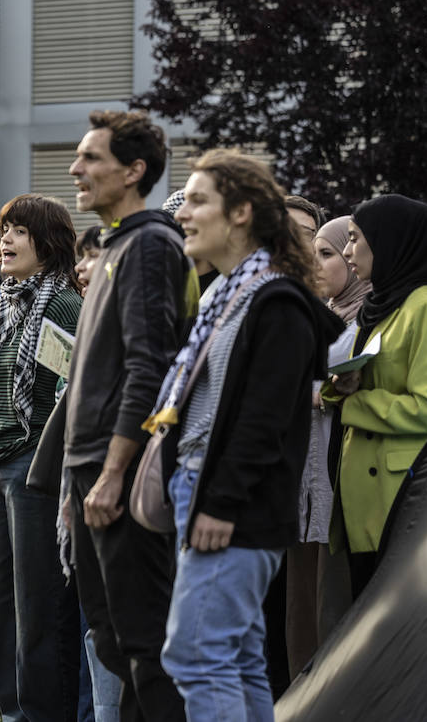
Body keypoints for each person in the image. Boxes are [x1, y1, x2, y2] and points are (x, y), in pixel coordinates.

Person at [155, 150, 344, 721]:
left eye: (197, 200)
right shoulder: (234, 290)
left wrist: (221, 500)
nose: (183, 213)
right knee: (234, 657)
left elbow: (263, 422)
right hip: (206, 492)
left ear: (239, 213)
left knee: (196, 653)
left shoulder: (276, 300)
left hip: (232, 505)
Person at [28, 111, 190, 722]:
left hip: (114, 477)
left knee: (143, 645)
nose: (76, 169)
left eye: (92, 159)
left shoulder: (151, 244)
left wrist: (113, 472)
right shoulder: (122, 243)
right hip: (90, 473)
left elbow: (149, 371)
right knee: (115, 644)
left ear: (135, 170)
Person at [0, 194, 84, 721]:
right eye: (4, 229)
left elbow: (69, 394)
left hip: (32, 466)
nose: (6, 240)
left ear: (49, 241)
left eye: (18, 231)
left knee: (37, 609)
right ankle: (13, 709)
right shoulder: (4, 301)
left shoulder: (63, 305)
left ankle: (39, 715)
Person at [328, 194, 427, 599]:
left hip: (397, 501)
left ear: (390, 241)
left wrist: (354, 404)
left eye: (355, 239)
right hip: (364, 498)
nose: (349, 251)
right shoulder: (381, 305)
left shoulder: (426, 309)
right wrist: (338, 390)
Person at [285, 216, 367, 675]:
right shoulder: (326, 314)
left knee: (329, 610)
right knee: (301, 612)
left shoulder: (366, 319)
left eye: (327, 253)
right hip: (304, 483)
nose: (314, 264)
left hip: (337, 484)